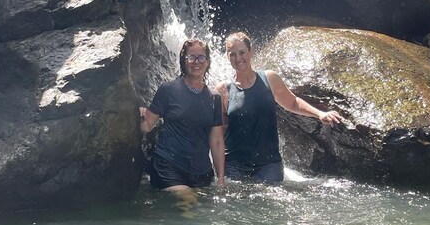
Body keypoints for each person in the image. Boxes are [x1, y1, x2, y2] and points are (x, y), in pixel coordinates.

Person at [215, 32, 343, 184]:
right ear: (227, 57)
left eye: (242, 52)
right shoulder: (223, 90)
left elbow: (293, 102)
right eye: (232, 54)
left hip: (269, 165)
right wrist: (220, 175)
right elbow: (217, 135)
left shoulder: (269, 79)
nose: (238, 59)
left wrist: (320, 114)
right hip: (234, 166)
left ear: (251, 52)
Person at [139, 38, 225, 197]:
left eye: (201, 57)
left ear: (207, 62)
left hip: (202, 172)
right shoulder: (168, 89)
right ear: (184, 61)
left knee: (201, 207)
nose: (196, 62)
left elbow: (217, 141)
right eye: (191, 57)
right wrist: (137, 113)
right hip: (169, 167)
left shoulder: (215, 98)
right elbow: (147, 125)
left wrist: (220, 178)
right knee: (188, 199)